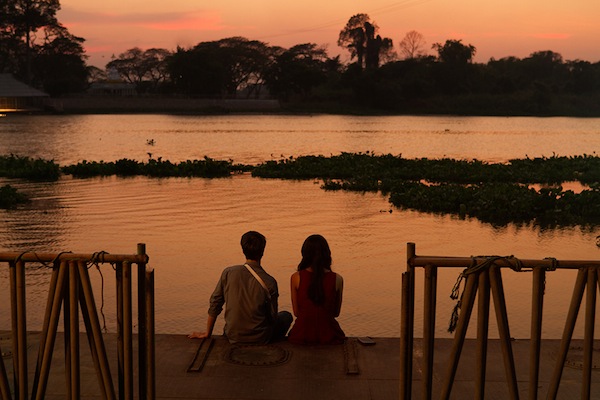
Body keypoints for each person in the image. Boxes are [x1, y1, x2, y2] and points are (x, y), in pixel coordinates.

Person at [189, 231, 292, 344]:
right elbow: (272, 317)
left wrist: (207, 333)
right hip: (261, 338)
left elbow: (215, 302)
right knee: (286, 316)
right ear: (262, 252)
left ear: (243, 250)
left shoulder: (228, 273)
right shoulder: (270, 282)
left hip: (232, 335)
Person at [288, 234, 346, 345]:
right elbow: (336, 313)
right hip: (330, 335)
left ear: (304, 254)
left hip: (302, 334)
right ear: (327, 254)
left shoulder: (296, 277)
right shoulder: (337, 279)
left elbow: (296, 313)